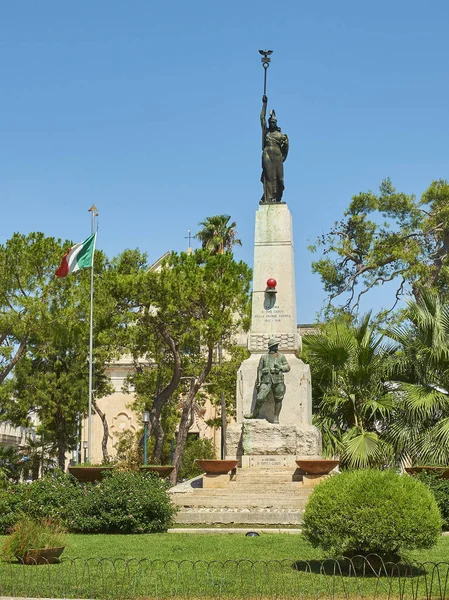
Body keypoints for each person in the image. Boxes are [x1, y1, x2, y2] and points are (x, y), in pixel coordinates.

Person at [245, 338, 291, 424]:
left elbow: (287, 367)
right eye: (275, 346)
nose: (277, 347)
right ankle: (254, 413)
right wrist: (258, 381)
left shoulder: (281, 356)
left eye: (277, 345)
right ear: (271, 347)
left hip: (278, 380)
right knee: (260, 397)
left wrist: (280, 367)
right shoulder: (264, 357)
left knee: (278, 399)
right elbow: (259, 369)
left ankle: (276, 417)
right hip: (266, 381)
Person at [260, 95, 289, 204]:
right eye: (270, 122)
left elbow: (286, 149)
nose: (271, 124)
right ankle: (268, 198)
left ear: (276, 123)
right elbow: (262, 118)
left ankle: (277, 198)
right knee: (268, 177)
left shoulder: (281, 136)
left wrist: (282, 158)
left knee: (279, 179)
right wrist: (264, 105)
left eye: (273, 122)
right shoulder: (266, 132)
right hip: (267, 154)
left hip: (277, 157)